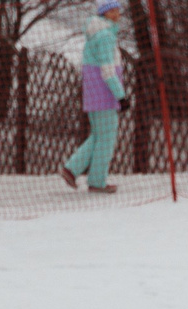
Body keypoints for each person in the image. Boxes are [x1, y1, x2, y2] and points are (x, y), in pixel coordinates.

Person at [57, 0, 128, 194]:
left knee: (98, 136)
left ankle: (71, 170)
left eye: (118, 10)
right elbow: (107, 70)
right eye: (113, 10)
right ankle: (96, 181)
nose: (118, 14)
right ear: (105, 13)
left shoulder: (95, 34)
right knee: (106, 139)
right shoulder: (105, 36)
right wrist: (121, 96)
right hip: (105, 94)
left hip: (93, 94)